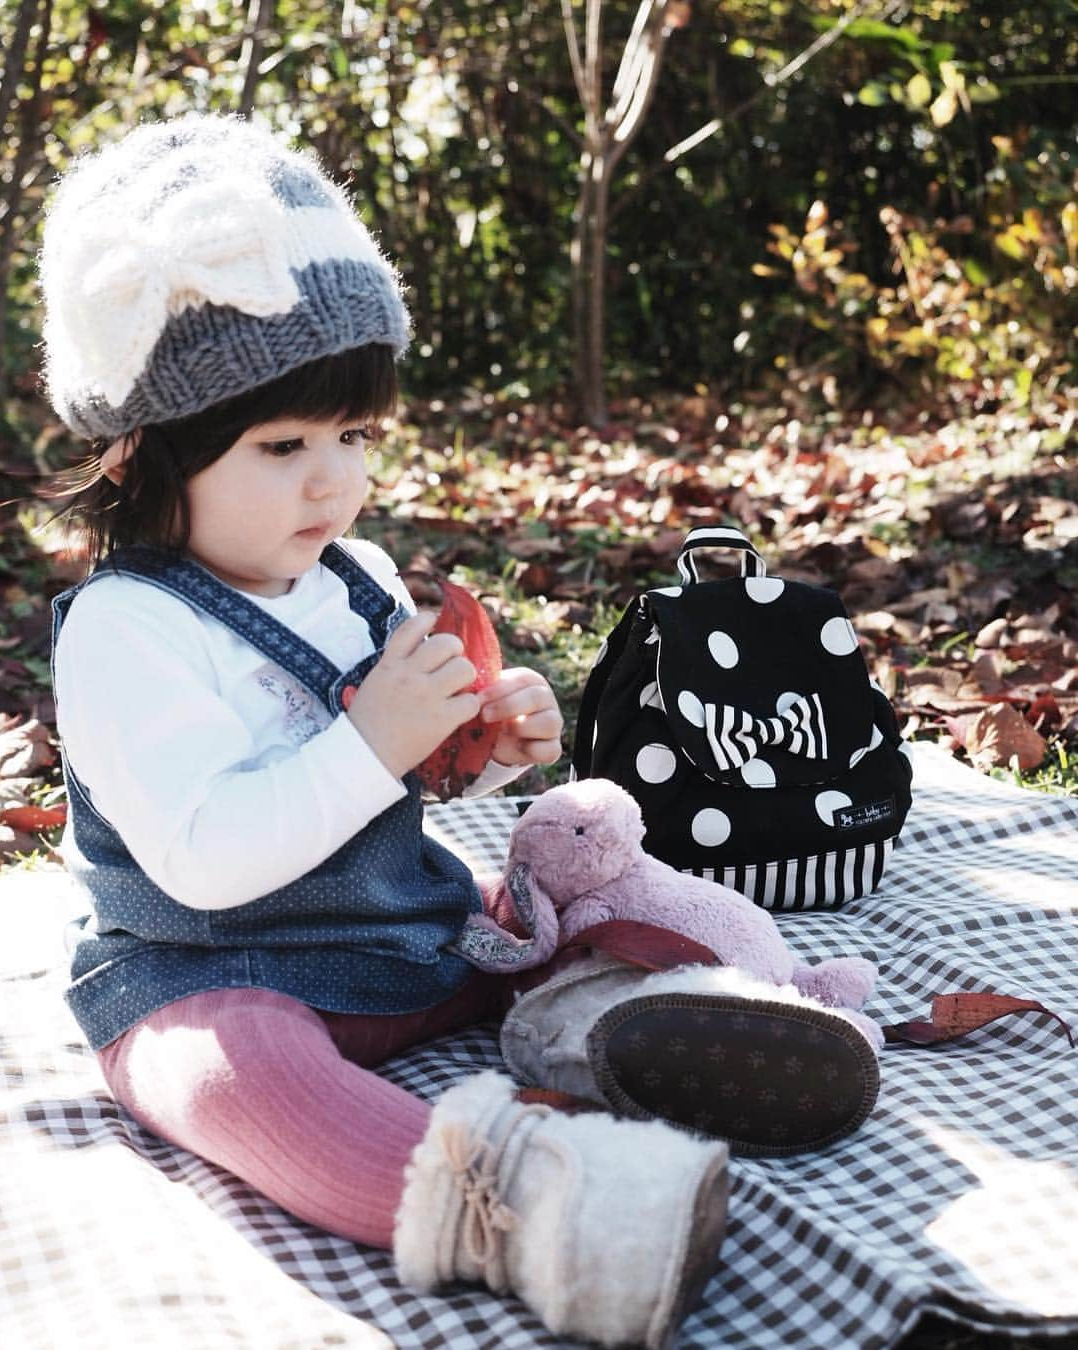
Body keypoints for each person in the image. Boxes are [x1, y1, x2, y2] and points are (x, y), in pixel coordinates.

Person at [40, 113, 730, 1349]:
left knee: (564, 889)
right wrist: (370, 742)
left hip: (398, 935)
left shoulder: (349, 567)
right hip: (211, 966)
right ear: (146, 455)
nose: (332, 482)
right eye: (284, 445)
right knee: (228, 1071)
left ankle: (667, 1016)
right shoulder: (127, 628)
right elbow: (207, 856)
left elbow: (409, 776)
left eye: (356, 436)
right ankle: (531, 1205)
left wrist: (480, 736)